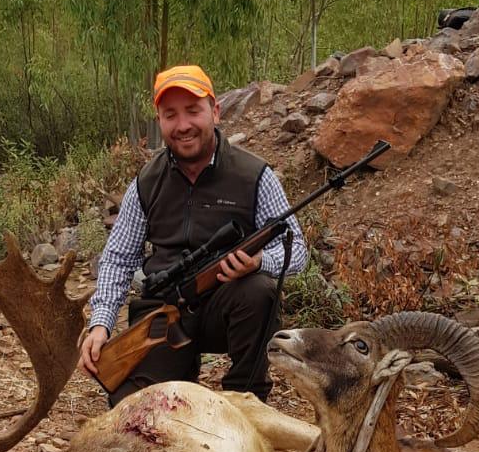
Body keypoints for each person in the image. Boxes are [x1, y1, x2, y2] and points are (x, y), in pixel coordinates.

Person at [79, 64, 308, 404]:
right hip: (164, 310)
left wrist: (259, 262)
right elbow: (118, 258)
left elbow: (298, 250)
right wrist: (101, 325)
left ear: (215, 112)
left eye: (193, 111)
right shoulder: (146, 182)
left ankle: (246, 398)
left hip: (225, 307)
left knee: (259, 290)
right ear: (159, 121)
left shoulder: (254, 175)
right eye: (170, 115)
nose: (183, 125)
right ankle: (178, 376)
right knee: (133, 408)